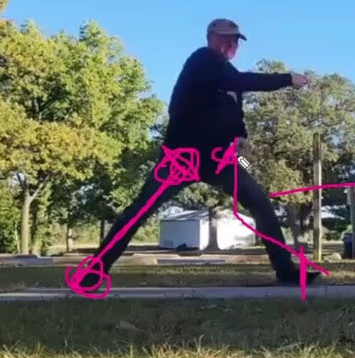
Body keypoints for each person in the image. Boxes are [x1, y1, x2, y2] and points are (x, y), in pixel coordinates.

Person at [79, 18, 316, 287]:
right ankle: (93, 272)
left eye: (235, 40)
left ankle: (286, 271)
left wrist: (240, 137)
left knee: (259, 201)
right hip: (181, 159)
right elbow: (237, 81)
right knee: (139, 210)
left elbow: (234, 114)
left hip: (218, 160)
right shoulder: (202, 61)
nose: (231, 44)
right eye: (225, 38)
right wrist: (287, 79)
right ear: (210, 38)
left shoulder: (228, 75)